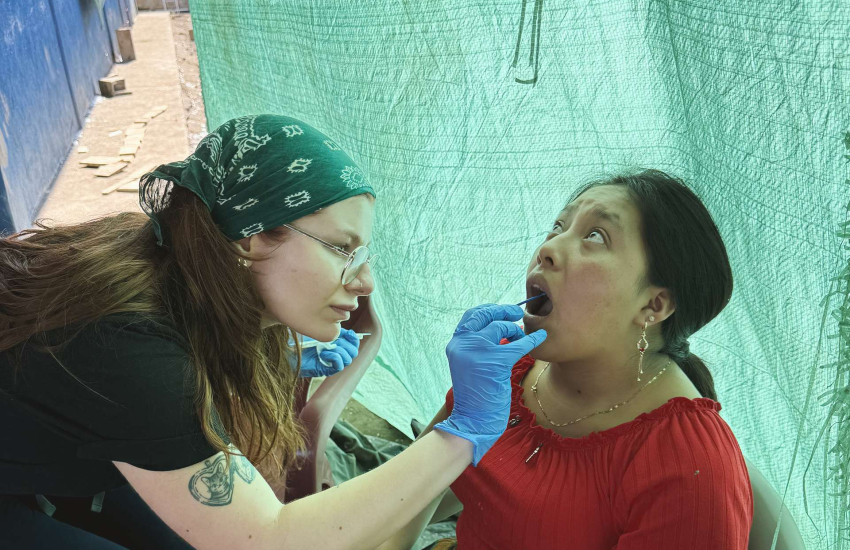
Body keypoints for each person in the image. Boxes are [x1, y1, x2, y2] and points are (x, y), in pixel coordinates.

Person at [0, 114, 546, 549]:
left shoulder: (182, 263)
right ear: (250, 237)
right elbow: (266, 540)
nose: (365, 281)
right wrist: (465, 429)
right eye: (343, 248)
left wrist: (275, 364)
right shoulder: (132, 347)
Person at [380, 170, 754, 550]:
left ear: (653, 305)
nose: (549, 248)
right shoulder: (508, 367)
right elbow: (406, 504)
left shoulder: (691, 468)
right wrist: (462, 421)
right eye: (558, 226)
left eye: (595, 236)